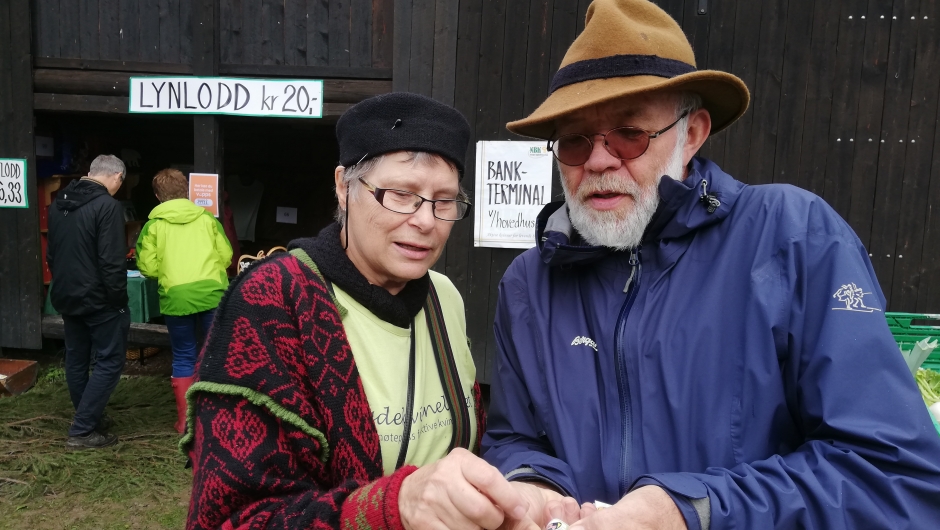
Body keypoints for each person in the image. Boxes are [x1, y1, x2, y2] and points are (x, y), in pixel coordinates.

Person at [481, 1, 940, 529]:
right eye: (575, 141)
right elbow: (516, 439)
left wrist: (692, 511)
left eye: (629, 133)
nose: (600, 160)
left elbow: (892, 477)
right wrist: (531, 486)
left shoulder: (793, 237)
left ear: (692, 133)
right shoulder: (529, 282)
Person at [183, 93, 537, 530]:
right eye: (401, 194)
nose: (426, 221)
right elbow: (233, 519)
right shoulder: (273, 301)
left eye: (443, 200)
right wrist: (393, 507)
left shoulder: (443, 297)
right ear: (343, 187)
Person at [135, 168, 233, 433]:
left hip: (176, 298)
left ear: (157, 196)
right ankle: (216, 419)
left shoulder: (153, 226)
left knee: (183, 355)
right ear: (187, 191)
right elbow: (226, 256)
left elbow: (147, 267)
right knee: (214, 353)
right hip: (212, 294)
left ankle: (186, 422)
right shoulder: (207, 220)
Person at [47, 154, 129, 450]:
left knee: (77, 358)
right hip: (99, 298)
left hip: (66, 293)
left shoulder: (58, 203)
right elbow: (111, 261)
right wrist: (119, 300)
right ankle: (82, 430)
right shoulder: (107, 206)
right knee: (110, 360)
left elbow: (52, 254)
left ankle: (87, 416)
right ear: (117, 177)